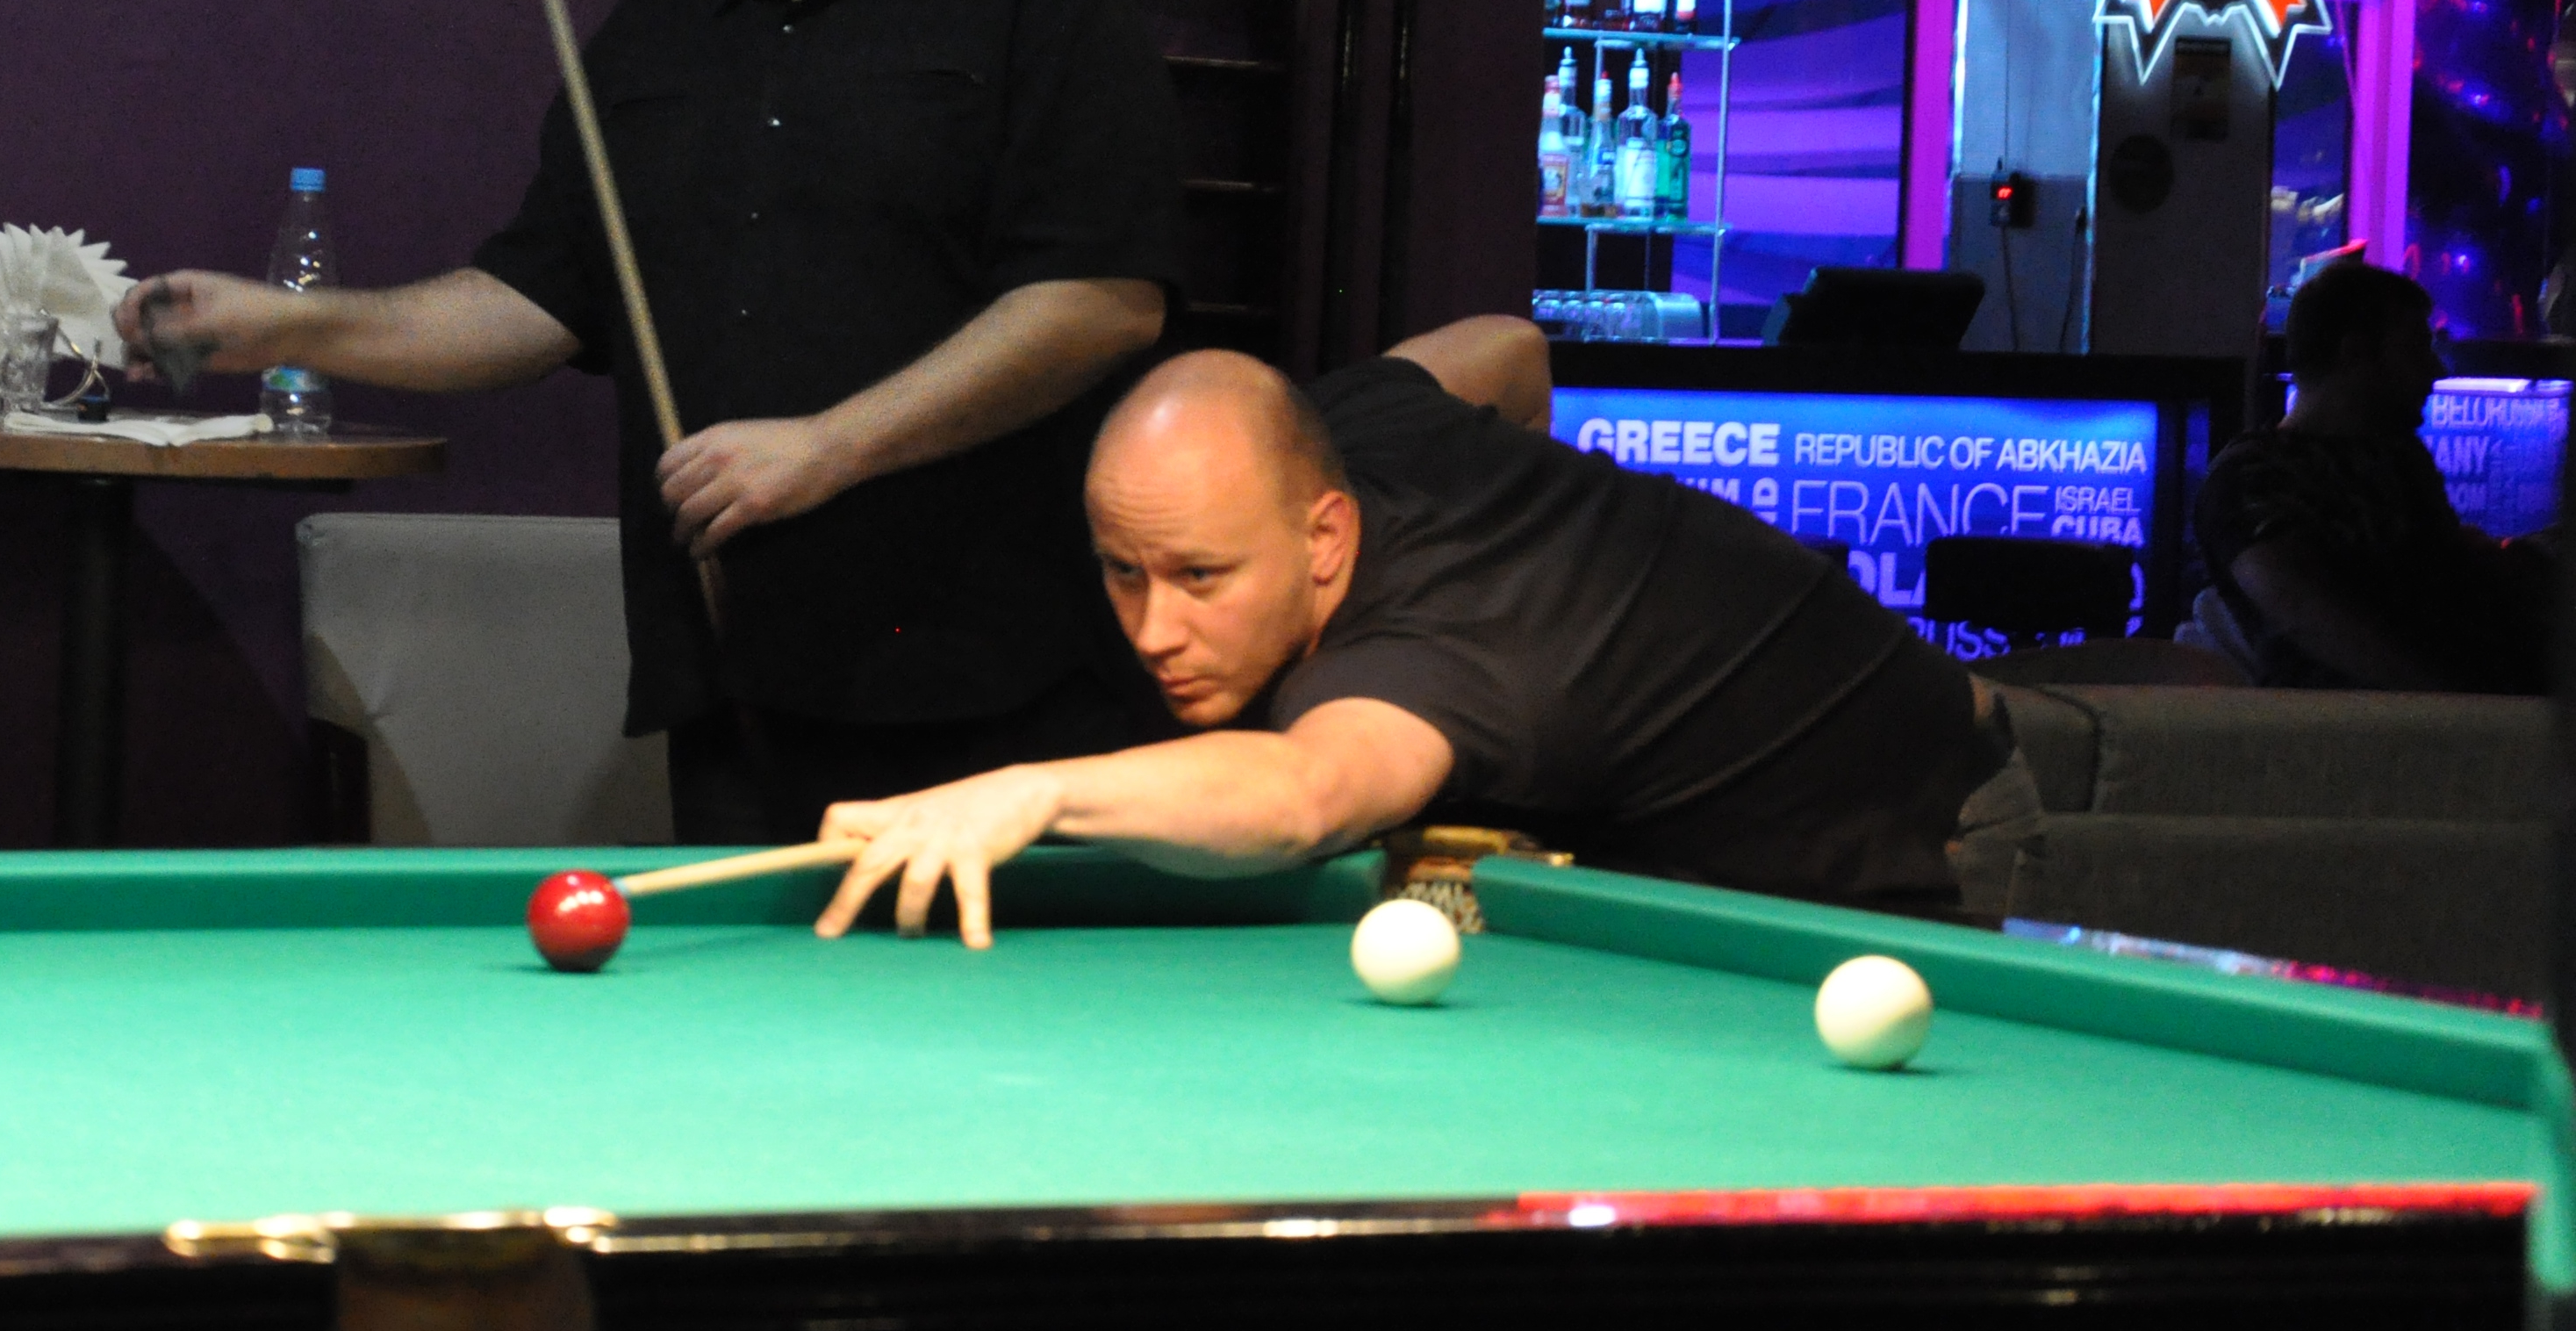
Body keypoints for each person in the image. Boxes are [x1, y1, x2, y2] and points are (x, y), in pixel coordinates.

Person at [117, 0, 1184, 839]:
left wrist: (828, 447)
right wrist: (288, 326)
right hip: (736, 688)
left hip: (998, 687)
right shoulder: (656, 37)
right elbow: (537, 299)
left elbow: (1100, 300)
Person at [806, 327, 2006, 948]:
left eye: (1201, 577)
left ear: (1325, 535)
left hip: (1962, 824)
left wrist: (1036, 792)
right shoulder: (1356, 421)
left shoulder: (1425, 669)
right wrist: (1558, 532)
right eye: (1125, 572)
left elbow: (1303, 797)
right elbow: (1508, 347)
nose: (1155, 630)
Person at [2195, 260, 2549, 692]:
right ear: (2355, 353)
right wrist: (2467, 699)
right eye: (2416, 348)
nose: (2437, 370)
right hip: (2354, 723)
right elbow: (2306, 615)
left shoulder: (2397, 456)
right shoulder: (2251, 476)